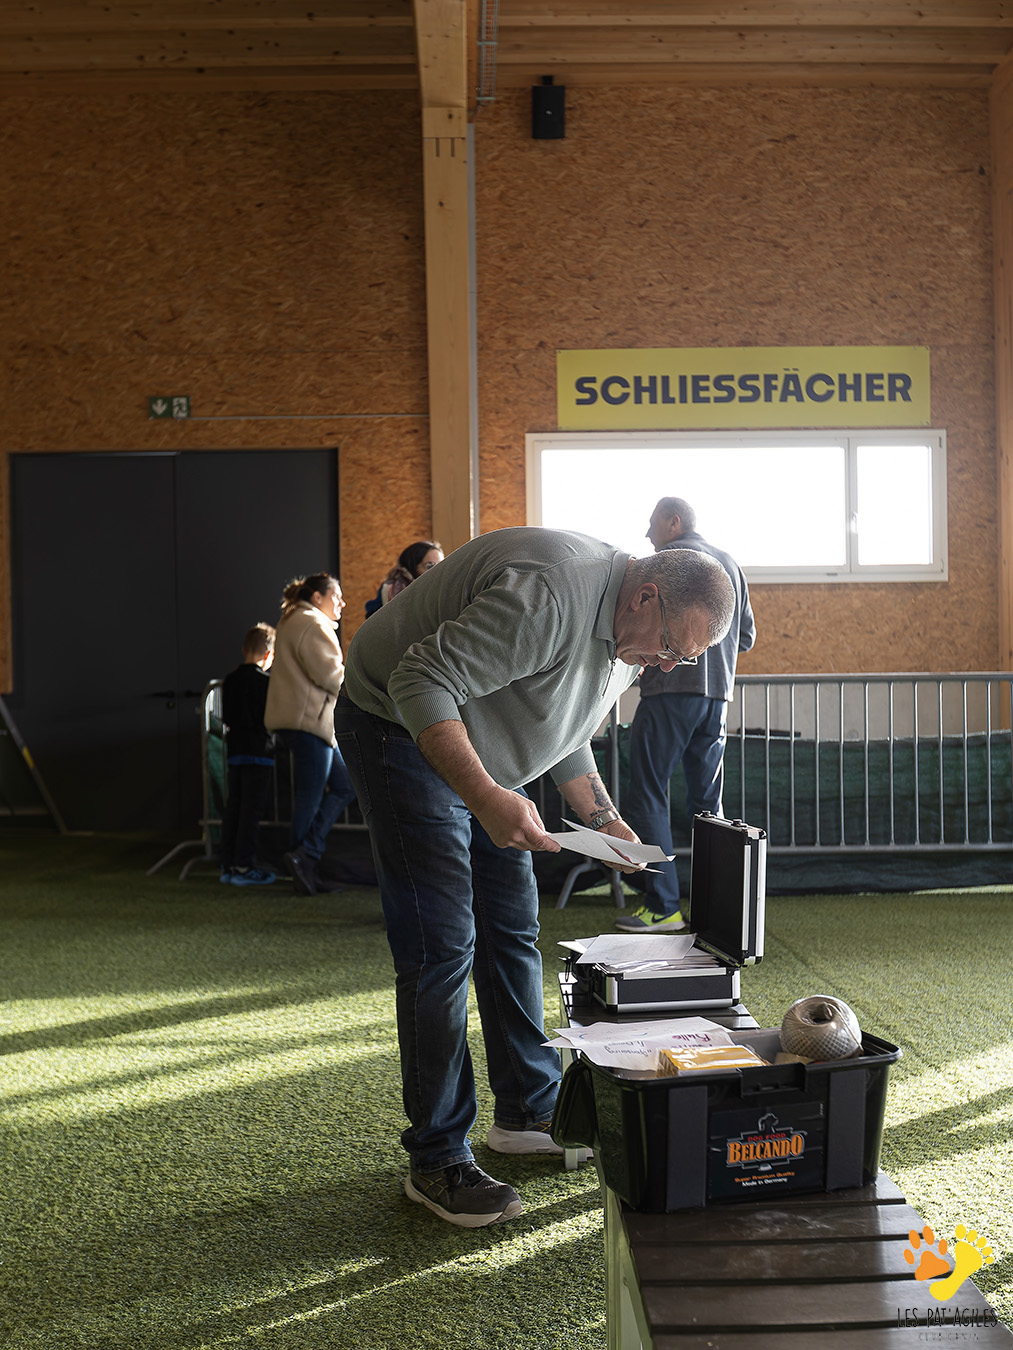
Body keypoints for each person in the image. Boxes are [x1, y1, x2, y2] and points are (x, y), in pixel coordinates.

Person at [334, 526, 734, 1227]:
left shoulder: (631, 636)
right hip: (395, 722)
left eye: (685, 658)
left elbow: (565, 725)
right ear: (646, 596)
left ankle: (527, 1110)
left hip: (479, 739)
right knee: (442, 946)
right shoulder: (550, 596)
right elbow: (418, 680)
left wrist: (603, 817)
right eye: (672, 646)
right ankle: (437, 1158)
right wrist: (487, 797)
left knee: (514, 931)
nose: (668, 666)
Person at [617, 498, 756, 934]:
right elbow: (746, 636)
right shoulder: (730, 565)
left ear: (673, 522)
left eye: (652, 523)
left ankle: (663, 907)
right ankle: (714, 912)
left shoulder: (669, 563)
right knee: (708, 806)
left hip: (669, 692)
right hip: (717, 698)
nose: (648, 534)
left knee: (649, 793)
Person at [264, 572, 357, 897]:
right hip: (310, 723)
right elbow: (331, 676)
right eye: (336, 596)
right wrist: (365, 686)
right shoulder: (313, 623)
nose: (342, 602)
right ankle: (303, 861)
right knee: (313, 794)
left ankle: (304, 856)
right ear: (318, 597)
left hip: (305, 722)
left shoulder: (295, 619)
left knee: (342, 785)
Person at [219, 622, 277, 887]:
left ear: (244, 649)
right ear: (269, 654)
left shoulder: (230, 680)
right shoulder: (267, 682)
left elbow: (227, 717)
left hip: (235, 751)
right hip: (260, 752)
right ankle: (244, 866)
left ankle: (227, 865)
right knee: (250, 812)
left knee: (233, 808)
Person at [364, 540, 444, 617]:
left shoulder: (442, 590)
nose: (437, 571)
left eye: (441, 565)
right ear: (412, 567)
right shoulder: (393, 588)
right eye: (430, 566)